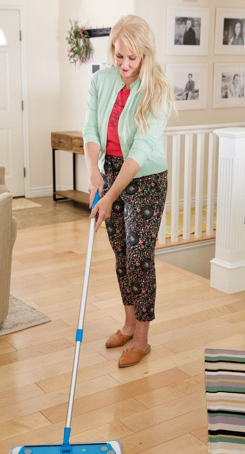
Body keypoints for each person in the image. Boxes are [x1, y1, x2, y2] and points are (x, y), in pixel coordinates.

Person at [83, 15, 175, 368]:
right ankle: (127, 323)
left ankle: (141, 339)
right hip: (109, 173)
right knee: (121, 255)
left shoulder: (158, 89)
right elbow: (90, 128)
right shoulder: (100, 81)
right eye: (119, 56)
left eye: (131, 58)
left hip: (146, 180)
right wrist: (94, 172)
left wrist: (109, 196)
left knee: (139, 258)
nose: (123, 65)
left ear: (145, 55)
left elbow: (141, 150)